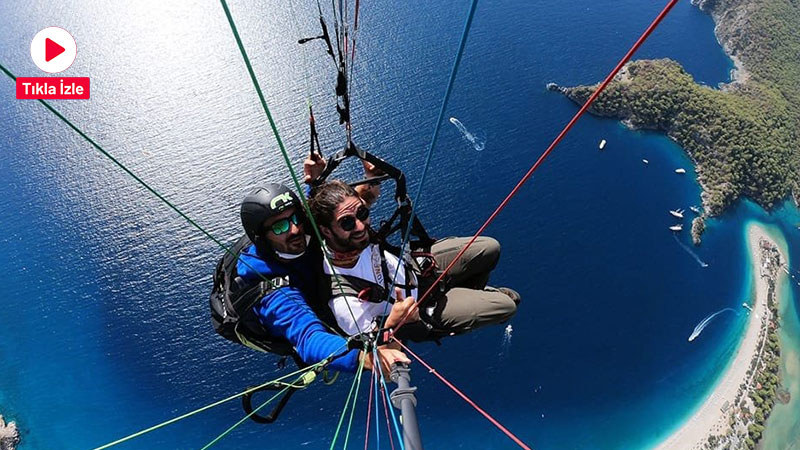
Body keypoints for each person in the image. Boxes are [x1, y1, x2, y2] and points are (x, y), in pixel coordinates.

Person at [213, 181, 408, 375]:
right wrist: (364, 359)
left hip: (310, 276)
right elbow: (308, 338)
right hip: (301, 302)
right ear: (261, 238)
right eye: (280, 227)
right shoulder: (269, 289)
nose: (294, 230)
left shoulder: (302, 229)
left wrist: (316, 182)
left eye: (296, 218)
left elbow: (338, 212)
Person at [308, 179, 520, 339]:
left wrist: (370, 175)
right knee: (507, 305)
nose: (360, 226)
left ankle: (468, 292)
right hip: (421, 309)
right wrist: (395, 321)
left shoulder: (351, 232)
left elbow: (361, 200)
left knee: (490, 248)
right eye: (347, 223)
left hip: (417, 268)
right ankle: (467, 301)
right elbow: (373, 346)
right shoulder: (343, 302)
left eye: (362, 214)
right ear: (326, 231)